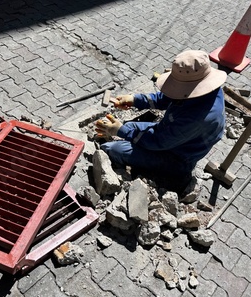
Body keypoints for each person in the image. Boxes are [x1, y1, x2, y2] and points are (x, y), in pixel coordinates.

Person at [95, 49, 227, 193]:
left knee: (113, 149)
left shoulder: (198, 117)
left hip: (176, 157)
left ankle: (151, 173)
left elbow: (158, 142)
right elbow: (166, 98)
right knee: (128, 126)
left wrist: (120, 131)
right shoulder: (203, 87)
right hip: (171, 134)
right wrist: (134, 100)